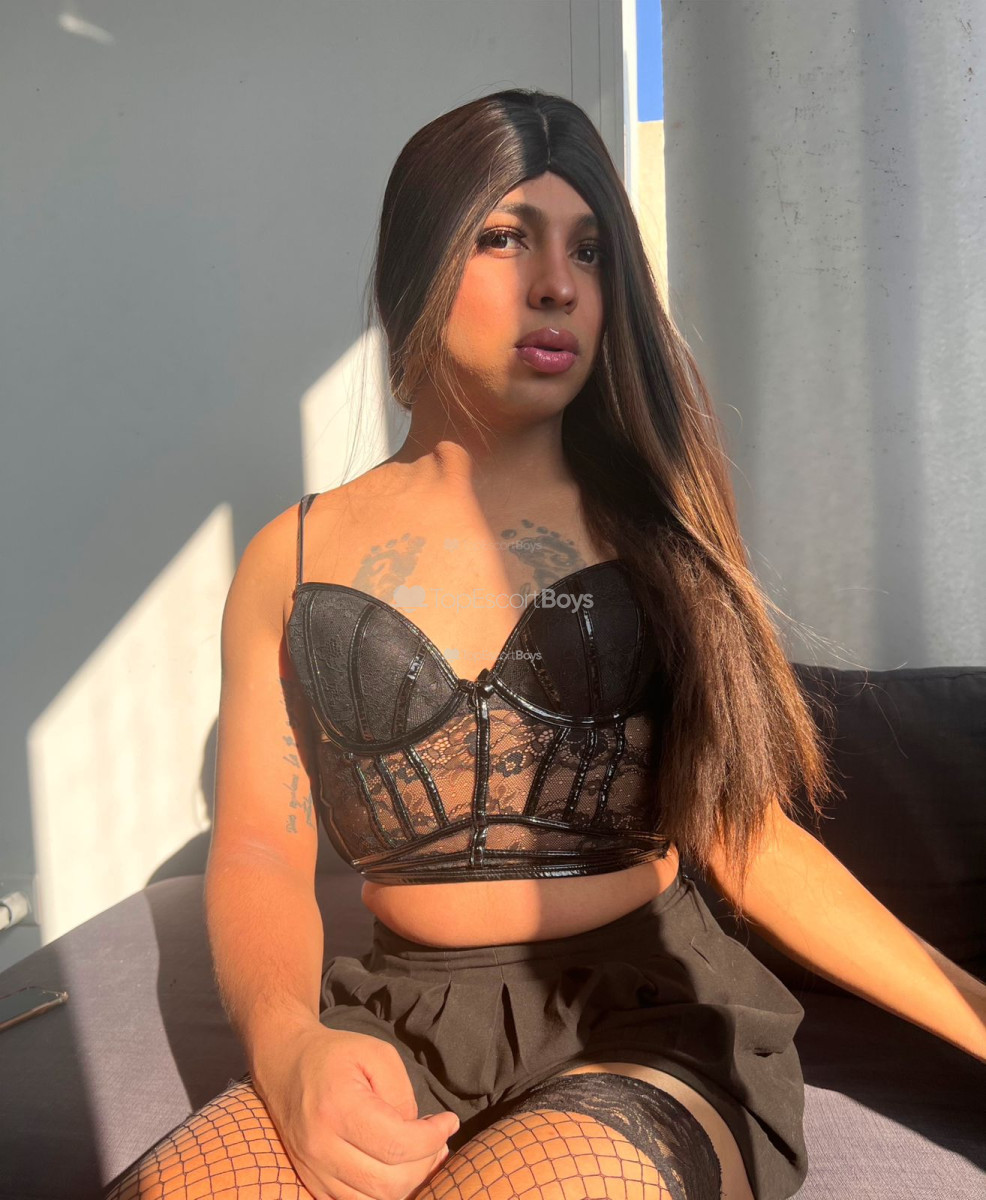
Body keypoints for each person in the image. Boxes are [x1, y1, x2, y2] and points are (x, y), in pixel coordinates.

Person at [103, 88, 986, 1200]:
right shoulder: (292, 556)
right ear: (418, 263)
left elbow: (744, 833)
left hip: (649, 1016)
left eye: (590, 249)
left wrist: (976, 1015)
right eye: (505, 236)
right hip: (401, 1019)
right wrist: (286, 1046)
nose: (558, 283)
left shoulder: (659, 540)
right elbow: (259, 854)